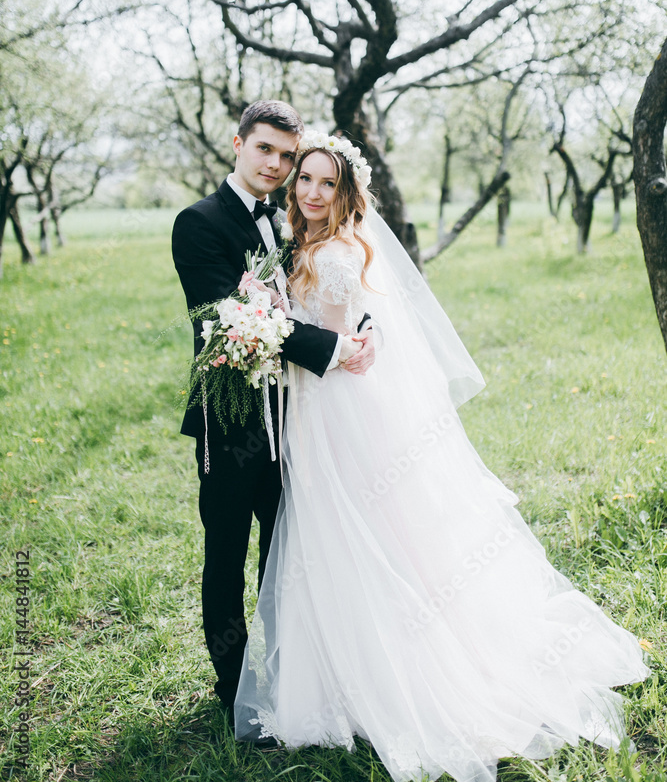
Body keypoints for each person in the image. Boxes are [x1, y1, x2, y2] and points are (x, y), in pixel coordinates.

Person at [234, 134, 649, 782]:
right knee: (326, 536)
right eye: (304, 180)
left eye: (325, 183)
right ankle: (336, 677)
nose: (312, 193)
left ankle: (409, 677)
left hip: (343, 412)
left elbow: (353, 340)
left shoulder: (341, 251)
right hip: (311, 414)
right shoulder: (301, 244)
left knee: (370, 534)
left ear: (345, 192)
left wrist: (298, 330)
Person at [171, 101, 375, 724]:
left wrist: (357, 326)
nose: (277, 165)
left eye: (288, 156)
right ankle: (235, 691)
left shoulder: (289, 221)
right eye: (266, 150)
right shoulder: (199, 222)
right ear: (238, 144)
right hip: (232, 424)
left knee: (288, 553)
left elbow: (320, 292)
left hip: (297, 420)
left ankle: (291, 679)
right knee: (228, 552)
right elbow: (230, 317)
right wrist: (335, 350)